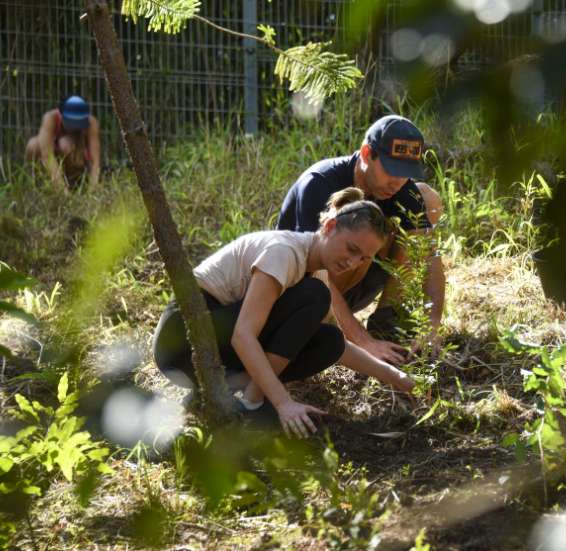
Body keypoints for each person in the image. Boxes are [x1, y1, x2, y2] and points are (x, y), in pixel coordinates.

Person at [153, 188, 415, 438]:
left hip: (210, 346)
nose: (352, 262)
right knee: (315, 296)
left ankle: (221, 392)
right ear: (330, 227)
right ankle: (253, 402)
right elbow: (243, 335)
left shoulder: (316, 272)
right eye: (352, 249)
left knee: (330, 340)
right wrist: (283, 403)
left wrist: (394, 376)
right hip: (182, 338)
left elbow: (339, 346)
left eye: (363, 259)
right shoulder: (285, 253)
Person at [277, 115, 445, 365]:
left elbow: (428, 255)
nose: (398, 182)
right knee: (361, 238)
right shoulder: (320, 184)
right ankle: (336, 330)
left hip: (352, 287)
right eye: (391, 170)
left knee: (425, 198)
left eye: (405, 173)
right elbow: (314, 274)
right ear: (367, 154)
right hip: (302, 296)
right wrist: (364, 342)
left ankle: (388, 318)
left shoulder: (401, 189)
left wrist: (432, 325)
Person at [25, 95, 101, 191]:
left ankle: (74, 187)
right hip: (55, 167)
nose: (75, 128)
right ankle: (39, 187)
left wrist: (92, 190)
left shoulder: (91, 122)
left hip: (78, 164)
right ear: (61, 115)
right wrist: (62, 190)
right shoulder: (50, 119)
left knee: (65, 144)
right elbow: (47, 156)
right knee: (33, 145)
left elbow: (95, 162)